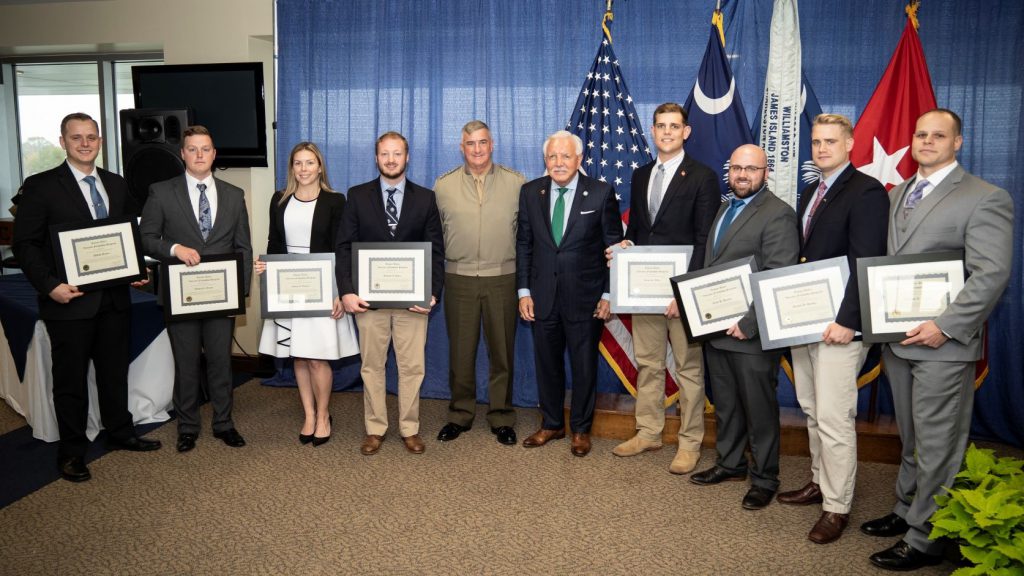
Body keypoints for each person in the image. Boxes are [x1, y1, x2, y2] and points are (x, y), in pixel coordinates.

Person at [862, 109, 1013, 572]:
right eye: (921, 134)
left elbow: (991, 273)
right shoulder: (899, 193)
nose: (927, 141)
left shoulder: (985, 197)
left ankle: (928, 538)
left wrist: (945, 326)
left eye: (938, 135)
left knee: (938, 444)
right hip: (900, 340)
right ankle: (909, 511)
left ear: (959, 142)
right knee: (912, 437)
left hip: (943, 344)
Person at [12, 112, 161, 482]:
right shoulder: (41, 186)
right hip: (68, 300)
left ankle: (121, 432)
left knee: (114, 374)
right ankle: (72, 451)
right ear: (62, 142)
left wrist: (136, 271)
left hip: (113, 300)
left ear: (100, 141)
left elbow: (127, 237)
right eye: (76, 137)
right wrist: (50, 286)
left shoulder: (116, 184)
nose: (84, 143)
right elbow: (25, 245)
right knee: (70, 381)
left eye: (91, 137)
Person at [775, 114, 889, 543]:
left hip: (841, 326)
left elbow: (866, 261)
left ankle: (836, 506)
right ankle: (820, 481)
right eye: (816, 142)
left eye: (830, 141)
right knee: (809, 407)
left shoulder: (866, 192)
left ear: (850, 144)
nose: (822, 148)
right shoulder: (811, 190)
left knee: (834, 417)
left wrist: (849, 321)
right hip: (806, 323)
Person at [605, 102, 719, 473]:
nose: (667, 132)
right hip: (645, 291)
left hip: (680, 295)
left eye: (674, 126)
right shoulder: (640, 175)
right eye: (660, 126)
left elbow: (705, 240)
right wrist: (627, 248)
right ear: (652, 132)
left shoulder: (702, 177)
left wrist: (684, 292)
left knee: (688, 368)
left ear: (686, 131)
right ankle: (649, 430)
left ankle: (689, 443)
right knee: (649, 363)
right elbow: (639, 231)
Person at [688, 144, 799, 510]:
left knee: (759, 408)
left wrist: (749, 322)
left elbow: (777, 274)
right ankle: (731, 464)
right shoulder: (725, 207)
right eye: (736, 168)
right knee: (727, 404)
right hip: (717, 332)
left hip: (751, 334)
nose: (742, 175)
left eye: (751, 169)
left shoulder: (778, 214)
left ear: (766, 173)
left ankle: (765, 477)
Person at [140, 125, 253, 453]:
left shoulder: (234, 195)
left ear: (214, 154)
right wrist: (175, 249)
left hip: (221, 295)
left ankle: (224, 423)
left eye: (206, 149)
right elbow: (146, 237)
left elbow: (243, 247)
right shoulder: (161, 192)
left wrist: (240, 292)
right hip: (181, 295)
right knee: (186, 362)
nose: (200, 155)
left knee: (221, 361)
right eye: (193, 149)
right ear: (183, 154)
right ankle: (187, 426)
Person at [335, 131, 444, 456]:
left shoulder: (425, 198)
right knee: (372, 366)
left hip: (413, 301)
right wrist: (347, 292)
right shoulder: (357, 196)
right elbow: (343, 247)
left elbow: (437, 252)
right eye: (385, 154)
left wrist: (432, 292)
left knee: (412, 367)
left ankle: (409, 429)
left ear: (407, 157)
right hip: (369, 301)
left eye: (397, 154)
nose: (391, 160)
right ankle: (375, 428)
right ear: (376, 157)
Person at [516, 130, 622, 457]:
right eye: (552, 157)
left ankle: (580, 429)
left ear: (579, 159)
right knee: (547, 364)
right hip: (543, 295)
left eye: (565, 156)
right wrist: (523, 291)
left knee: (584, 365)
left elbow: (613, 248)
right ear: (545, 161)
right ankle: (551, 424)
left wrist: (608, 294)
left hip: (586, 298)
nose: (558, 162)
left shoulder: (601, 193)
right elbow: (524, 244)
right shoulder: (531, 191)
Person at [255, 142, 359, 446]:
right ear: (292, 168)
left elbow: (342, 250)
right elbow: (274, 242)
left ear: (320, 167)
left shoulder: (335, 201)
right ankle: (309, 414)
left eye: (309, 163)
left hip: (323, 289)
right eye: (298, 163)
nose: (303, 169)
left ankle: (324, 415)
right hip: (287, 288)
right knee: (298, 356)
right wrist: (266, 269)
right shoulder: (279, 199)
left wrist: (341, 291)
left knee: (317, 358)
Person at [433, 120, 525, 446]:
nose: (477, 149)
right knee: (461, 352)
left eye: (482, 143)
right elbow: (434, 238)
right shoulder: (443, 186)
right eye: (470, 144)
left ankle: (501, 416)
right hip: (459, 279)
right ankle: (460, 414)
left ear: (492, 144)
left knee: (502, 352)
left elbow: (526, 237)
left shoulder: (517, 183)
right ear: (462, 147)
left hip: (502, 278)